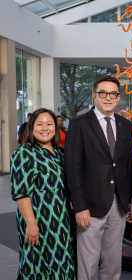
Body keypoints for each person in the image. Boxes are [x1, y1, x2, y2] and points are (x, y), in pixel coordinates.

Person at [65, 75, 132, 280]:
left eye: (113, 93)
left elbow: (127, 167)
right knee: (88, 263)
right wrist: (79, 206)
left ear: (118, 97)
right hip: (90, 205)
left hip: (118, 204)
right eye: (103, 93)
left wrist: (129, 203)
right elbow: (73, 168)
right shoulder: (79, 124)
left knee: (113, 261)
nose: (108, 97)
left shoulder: (125, 125)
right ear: (94, 95)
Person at [10, 108, 76, 279]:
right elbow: (21, 193)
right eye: (39, 124)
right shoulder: (23, 153)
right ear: (31, 127)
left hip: (62, 219)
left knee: (63, 261)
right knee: (37, 264)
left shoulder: (60, 152)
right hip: (39, 219)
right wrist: (31, 224)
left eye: (49, 124)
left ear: (56, 127)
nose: (45, 128)